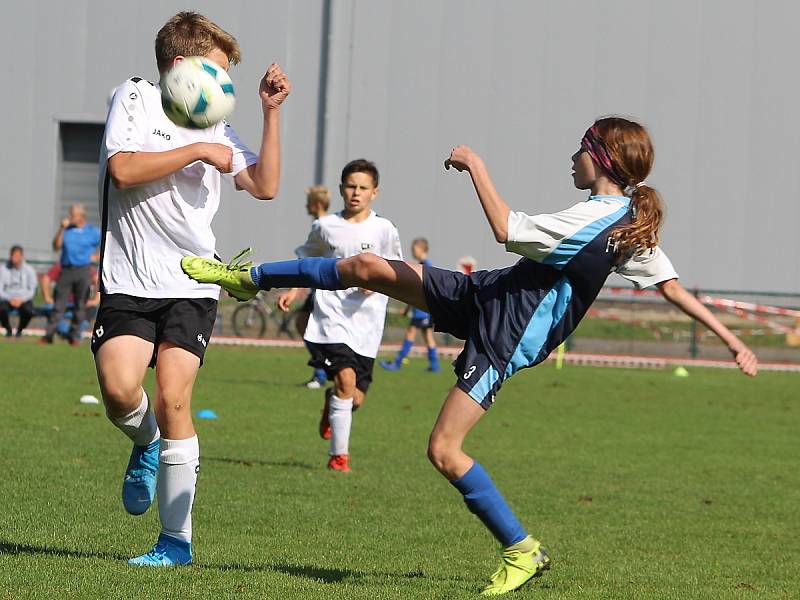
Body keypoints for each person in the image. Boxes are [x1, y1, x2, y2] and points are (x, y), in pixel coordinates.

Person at [182, 116, 759, 594]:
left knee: (443, 448)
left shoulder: (596, 219)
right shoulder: (626, 219)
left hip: (508, 332)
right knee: (364, 267)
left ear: (603, 159)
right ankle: (245, 277)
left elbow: (508, 228)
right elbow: (675, 289)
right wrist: (734, 341)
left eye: (582, 148)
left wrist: (476, 166)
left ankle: (522, 550)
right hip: (489, 292)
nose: (573, 155)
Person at [91, 11, 290, 567]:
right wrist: (198, 152)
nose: (225, 88)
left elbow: (267, 185)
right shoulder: (134, 98)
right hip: (129, 278)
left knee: (175, 397)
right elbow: (124, 171)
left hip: (192, 280)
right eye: (219, 74)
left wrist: (270, 113)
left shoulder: (218, 126)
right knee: (117, 389)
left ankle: (175, 542)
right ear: (181, 66)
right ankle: (145, 442)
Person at [272, 159, 402, 472]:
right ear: (341, 188)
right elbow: (306, 261)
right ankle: (338, 457)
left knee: (354, 396)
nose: (356, 193)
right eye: (350, 186)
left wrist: (380, 283)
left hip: (367, 324)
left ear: (375, 192)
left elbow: (396, 268)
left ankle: (332, 402)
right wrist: (294, 289)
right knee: (346, 380)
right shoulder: (325, 227)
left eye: (363, 188)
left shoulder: (384, 229)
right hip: (329, 317)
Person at [40, 204, 101, 345]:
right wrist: (61, 228)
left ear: (81, 216)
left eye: (72, 215)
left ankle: (74, 336)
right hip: (66, 270)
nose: (69, 217)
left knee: (80, 305)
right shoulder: (67, 230)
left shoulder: (93, 232)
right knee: (58, 305)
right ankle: (49, 335)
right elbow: (56, 246)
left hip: (83, 270)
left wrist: (96, 256)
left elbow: (106, 244)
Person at [380, 237, 440, 372]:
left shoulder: (425, 266)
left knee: (411, 333)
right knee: (427, 336)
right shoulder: (424, 264)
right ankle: (434, 366)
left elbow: (419, 290)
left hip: (422, 310)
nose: (413, 252)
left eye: (414, 249)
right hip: (424, 310)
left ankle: (397, 363)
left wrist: (409, 308)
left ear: (421, 249)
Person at [292, 185, 331, 389]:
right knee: (302, 324)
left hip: (324, 291)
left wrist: (295, 287)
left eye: (308, 202)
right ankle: (321, 370)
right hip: (317, 289)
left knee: (308, 327)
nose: (306, 206)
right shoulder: (322, 224)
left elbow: (307, 258)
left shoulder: (323, 225)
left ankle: (322, 371)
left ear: (316, 204)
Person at [40, 262, 101, 339]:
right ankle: (67, 334)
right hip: (62, 304)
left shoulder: (86, 267)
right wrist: (47, 298)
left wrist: (96, 300)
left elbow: (97, 280)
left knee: (91, 310)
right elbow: (46, 278)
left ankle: (73, 334)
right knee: (49, 309)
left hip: (80, 305)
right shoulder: (61, 266)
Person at [0, 245, 37, 338]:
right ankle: (8, 330)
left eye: (16, 256)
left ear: (22, 256)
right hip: (7, 298)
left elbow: (32, 289)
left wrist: (22, 300)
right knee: (2, 309)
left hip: (23, 299)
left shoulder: (29, 270)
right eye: (12, 256)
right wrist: (10, 299)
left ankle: (20, 330)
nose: (14, 258)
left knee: (29, 311)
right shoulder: (3, 269)